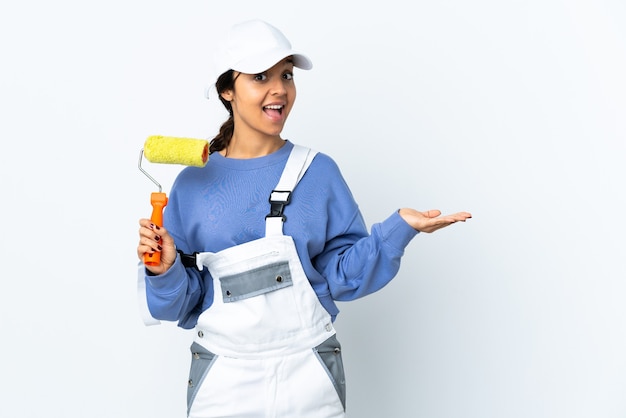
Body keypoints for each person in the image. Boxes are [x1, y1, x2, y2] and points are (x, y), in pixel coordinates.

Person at [137, 19, 471, 418]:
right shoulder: (192, 185)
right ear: (227, 89)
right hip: (222, 378)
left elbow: (342, 278)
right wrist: (164, 270)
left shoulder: (317, 172)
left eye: (286, 75)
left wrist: (397, 230)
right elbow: (177, 305)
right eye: (260, 76)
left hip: (307, 375)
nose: (279, 89)